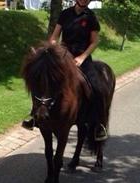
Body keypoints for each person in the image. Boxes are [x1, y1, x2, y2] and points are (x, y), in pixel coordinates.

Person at [22, 0, 107, 141]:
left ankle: (98, 124)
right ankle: (34, 116)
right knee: (43, 80)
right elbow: (55, 37)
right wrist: (51, 50)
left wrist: (82, 57)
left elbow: (94, 42)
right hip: (63, 57)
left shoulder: (91, 17)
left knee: (96, 87)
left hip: (82, 58)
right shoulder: (65, 14)